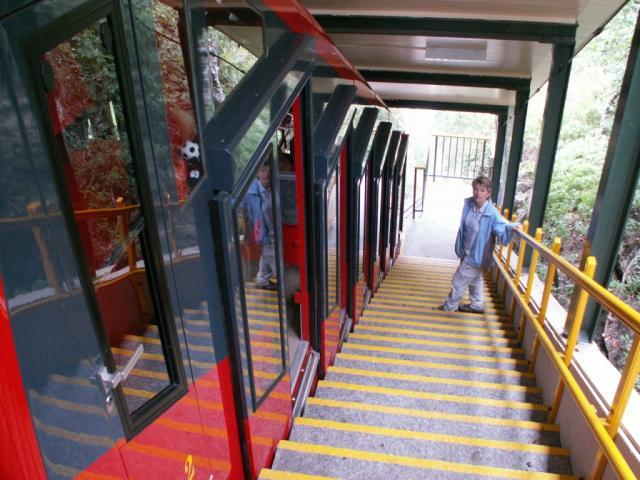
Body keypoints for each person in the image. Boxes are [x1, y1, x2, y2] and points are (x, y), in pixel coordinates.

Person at [437, 176, 520, 313]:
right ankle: (477, 305)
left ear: (488, 193)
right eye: (476, 189)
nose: (478, 193)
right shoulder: (469, 205)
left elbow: (501, 229)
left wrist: (512, 228)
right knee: (475, 278)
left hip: (477, 255)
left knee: (458, 281)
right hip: (466, 251)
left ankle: (449, 308)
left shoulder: (492, 213)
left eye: (482, 190)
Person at [239, 161, 278, 291]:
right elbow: (237, 206)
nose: (266, 174)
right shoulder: (249, 191)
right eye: (262, 171)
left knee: (267, 255)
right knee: (275, 259)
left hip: (273, 230)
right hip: (265, 233)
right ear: (257, 173)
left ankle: (262, 279)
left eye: (269, 171)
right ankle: (285, 282)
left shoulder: (276, 187)